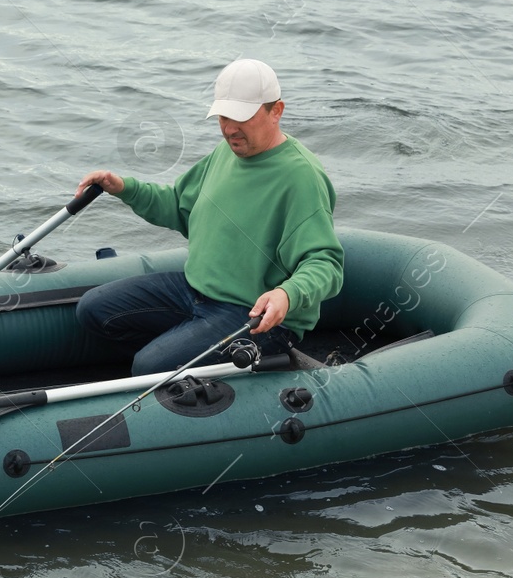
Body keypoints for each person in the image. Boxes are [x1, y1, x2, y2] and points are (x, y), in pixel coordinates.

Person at [74, 58, 343, 376]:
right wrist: (123, 188)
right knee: (93, 309)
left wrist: (287, 294)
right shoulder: (226, 152)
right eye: (223, 116)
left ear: (276, 111)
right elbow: (177, 205)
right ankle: (181, 354)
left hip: (252, 316)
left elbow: (326, 263)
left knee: (149, 365)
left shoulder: (301, 177)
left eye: (241, 117)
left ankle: (192, 370)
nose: (229, 129)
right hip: (193, 291)